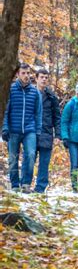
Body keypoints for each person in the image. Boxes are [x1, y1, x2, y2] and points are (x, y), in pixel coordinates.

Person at [2, 63, 42, 193]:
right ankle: (14, 185)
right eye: (23, 73)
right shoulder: (11, 89)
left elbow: (38, 113)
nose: (26, 76)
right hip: (13, 130)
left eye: (28, 73)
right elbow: (5, 111)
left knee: (30, 155)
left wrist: (38, 130)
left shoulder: (35, 92)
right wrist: (5, 127)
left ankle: (25, 184)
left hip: (29, 130)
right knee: (13, 158)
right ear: (18, 74)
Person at [33, 68, 61, 193]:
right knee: (29, 160)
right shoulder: (30, 94)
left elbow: (57, 117)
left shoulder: (52, 97)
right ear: (36, 78)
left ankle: (40, 188)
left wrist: (58, 135)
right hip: (32, 133)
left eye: (46, 77)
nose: (44, 79)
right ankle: (25, 184)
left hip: (47, 133)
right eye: (42, 77)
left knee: (44, 163)